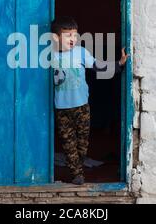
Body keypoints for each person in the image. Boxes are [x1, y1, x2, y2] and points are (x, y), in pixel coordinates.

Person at [51, 16, 129, 185]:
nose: (73, 39)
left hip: (82, 107)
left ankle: (78, 166)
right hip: (62, 109)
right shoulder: (49, 55)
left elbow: (98, 66)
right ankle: (77, 175)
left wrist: (119, 64)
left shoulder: (80, 52)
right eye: (68, 35)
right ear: (56, 37)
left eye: (74, 34)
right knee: (68, 144)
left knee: (82, 144)